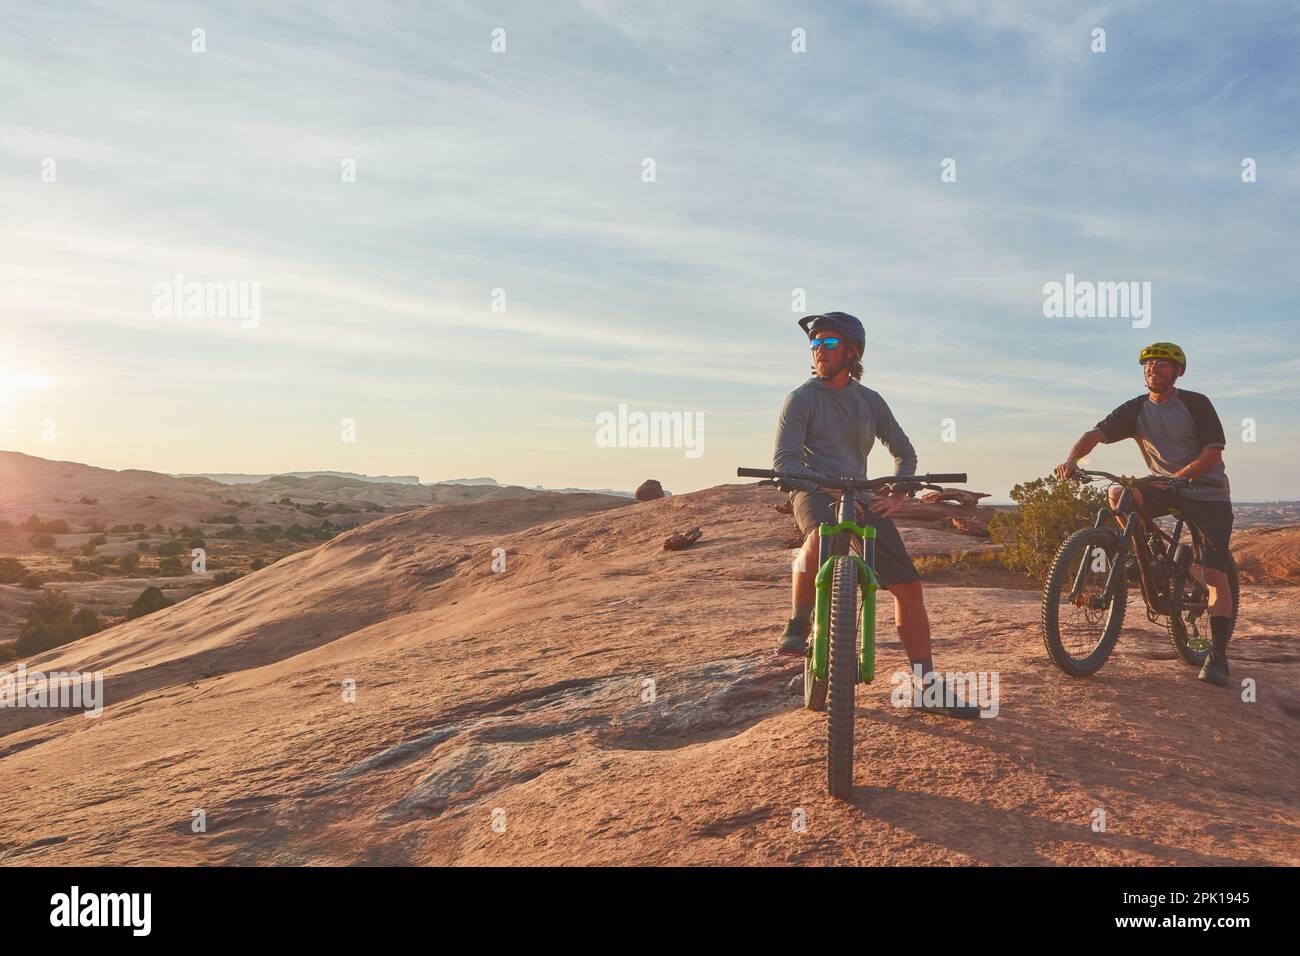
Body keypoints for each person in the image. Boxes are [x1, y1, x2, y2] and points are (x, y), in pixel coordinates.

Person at [772, 311, 979, 718]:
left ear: (851, 351)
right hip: (813, 490)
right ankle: (798, 623)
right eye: (814, 343)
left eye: (829, 343)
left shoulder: (870, 401)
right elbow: (784, 458)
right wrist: (817, 482)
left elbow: (904, 453)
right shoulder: (801, 399)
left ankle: (926, 686)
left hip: (862, 495)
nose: (818, 349)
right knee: (819, 536)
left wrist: (899, 493)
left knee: (909, 586)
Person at [1054, 342, 1235, 686]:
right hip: (1164, 484)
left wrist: (1180, 477)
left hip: (1206, 493)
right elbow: (1095, 434)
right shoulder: (1137, 409)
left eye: (1163, 364)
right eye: (1149, 364)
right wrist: (1071, 460)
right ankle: (1151, 552)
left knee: (1215, 574)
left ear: (1178, 371)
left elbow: (1213, 453)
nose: (1154, 368)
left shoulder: (1196, 403)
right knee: (1118, 493)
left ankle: (1217, 656)